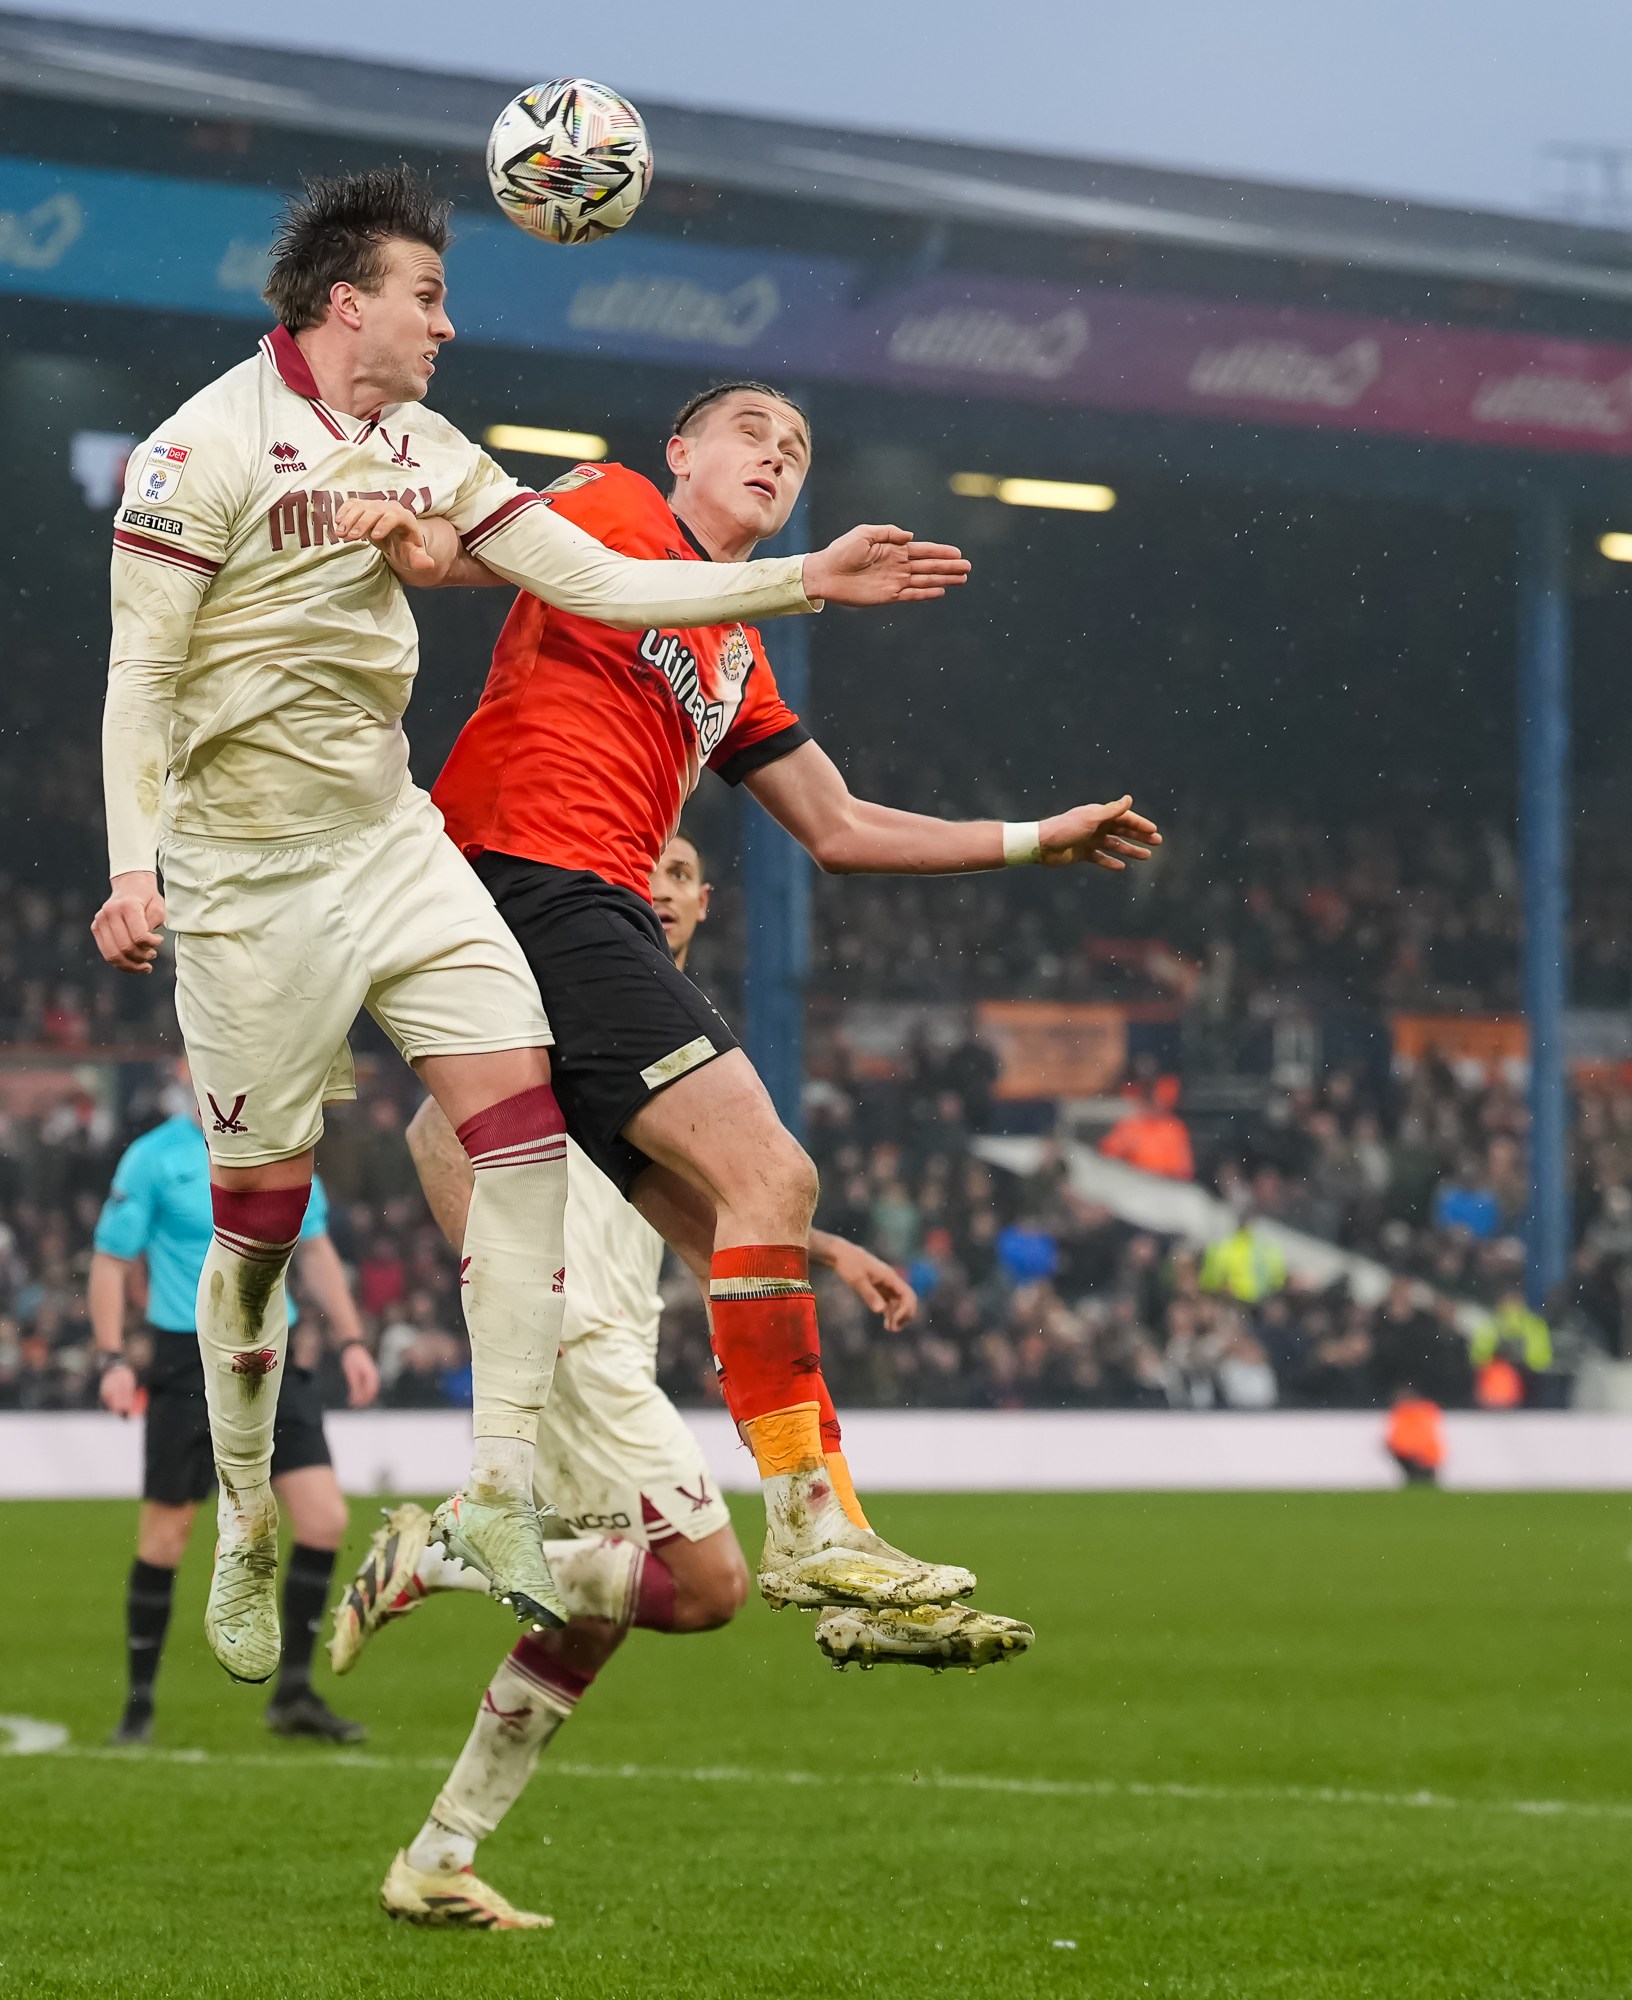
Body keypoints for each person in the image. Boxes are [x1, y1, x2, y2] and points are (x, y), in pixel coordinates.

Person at [86, 166, 969, 1684]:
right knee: (256, 1236)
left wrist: (799, 588)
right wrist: (135, 863)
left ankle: (493, 1494)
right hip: (243, 880)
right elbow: (135, 677)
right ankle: (243, 1509)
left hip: (395, 835)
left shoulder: (430, 445)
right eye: (428, 294)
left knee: (512, 1129)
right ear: (345, 301)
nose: (449, 321)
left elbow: (599, 579)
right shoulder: (194, 453)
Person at [339, 378, 1151, 1616]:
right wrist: (421, 544)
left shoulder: (735, 643)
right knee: (774, 1171)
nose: (778, 456)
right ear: (681, 450)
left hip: (576, 908)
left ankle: (803, 1529)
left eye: (800, 447)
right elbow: (478, 554)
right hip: (533, 878)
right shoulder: (610, 501)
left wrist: (1039, 836)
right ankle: (811, 1526)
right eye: (752, 432)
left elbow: (839, 823)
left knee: (737, 1221)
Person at [339, 836, 1034, 1931]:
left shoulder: (658, 1025)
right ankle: (445, 1550)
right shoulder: (554, 1000)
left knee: (590, 1619)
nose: (659, 890)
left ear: (705, 900)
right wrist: (517, 1299)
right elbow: (435, 1128)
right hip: (575, 1343)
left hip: (616, 1342)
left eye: (678, 875)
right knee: (706, 1583)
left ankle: (438, 1853)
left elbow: (714, 1210)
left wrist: (831, 1250)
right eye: (643, 869)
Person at [88, 1061, 384, 1745]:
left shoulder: (285, 1144)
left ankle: (295, 1695)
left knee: (325, 1519)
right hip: (186, 1359)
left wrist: (351, 1340)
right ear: (185, 1070)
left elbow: (314, 1250)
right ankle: (137, 1709)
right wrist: (109, 1357)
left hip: (272, 1357)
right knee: (167, 1537)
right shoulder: (155, 1158)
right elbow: (110, 1259)